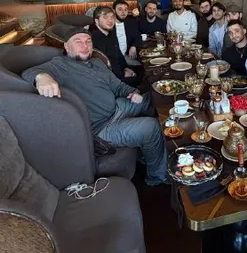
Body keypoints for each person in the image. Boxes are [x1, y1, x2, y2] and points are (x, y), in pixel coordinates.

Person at [22, 28, 167, 186]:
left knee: (154, 97)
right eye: (78, 42)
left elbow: (118, 86)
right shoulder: (60, 65)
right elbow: (29, 72)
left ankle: (149, 153)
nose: (84, 46)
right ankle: (156, 178)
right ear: (66, 46)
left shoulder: (97, 63)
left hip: (117, 108)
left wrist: (132, 92)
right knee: (151, 127)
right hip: (100, 129)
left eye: (88, 41)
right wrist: (42, 77)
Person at [89, 6, 139, 86]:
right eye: (105, 17)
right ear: (96, 21)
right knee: (144, 80)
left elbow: (118, 53)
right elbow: (104, 65)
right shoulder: (95, 38)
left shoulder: (110, 32)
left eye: (112, 17)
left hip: (118, 70)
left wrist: (126, 67)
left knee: (143, 70)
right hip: (109, 79)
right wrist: (123, 74)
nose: (110, 20)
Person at [113, 0, 140, 65]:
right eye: (120, 9)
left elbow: (138, 36)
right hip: (114, 59)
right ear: (113, 10)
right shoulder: (109, 24)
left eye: (125, 9)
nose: (123, 12)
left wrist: (134, 46)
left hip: (127, 56)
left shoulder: (130, 22)